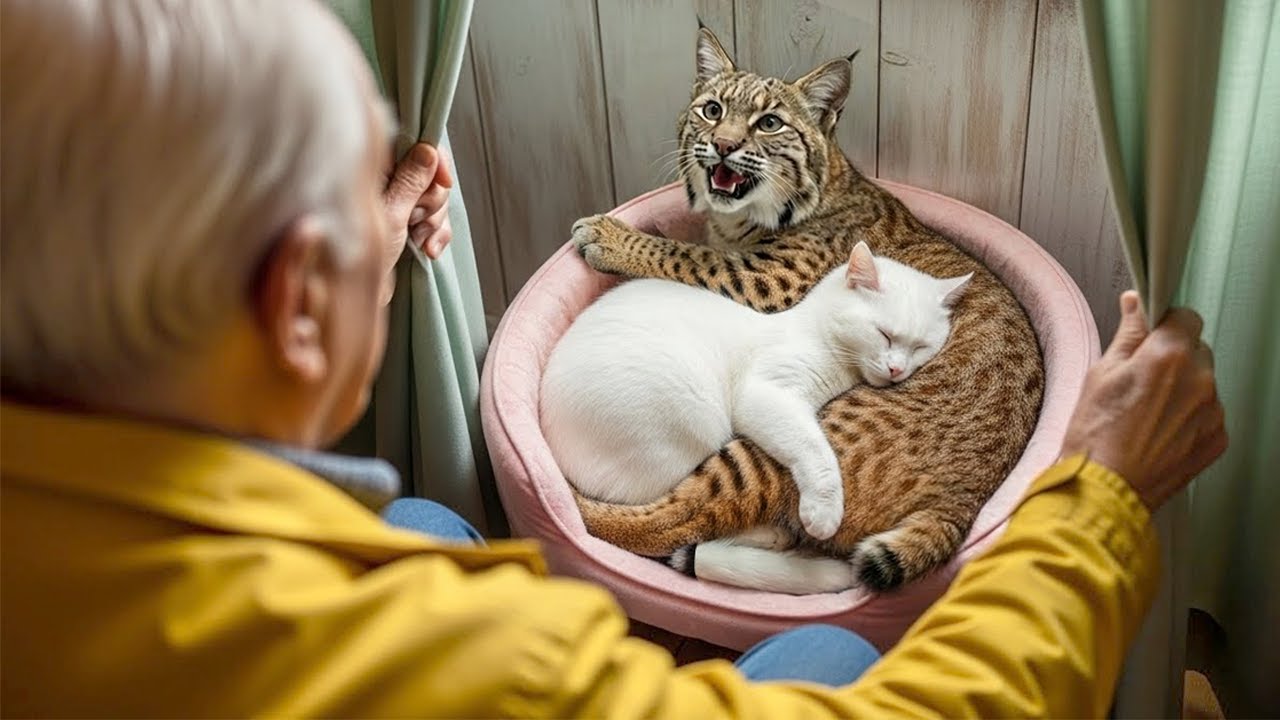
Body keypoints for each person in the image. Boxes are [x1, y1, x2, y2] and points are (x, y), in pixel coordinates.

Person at [0, 0, 1227, 717]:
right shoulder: (489, 662)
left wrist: (353, 241)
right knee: (825, 653)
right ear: (294, 304)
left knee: (422, 518)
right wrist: (1100, 497)